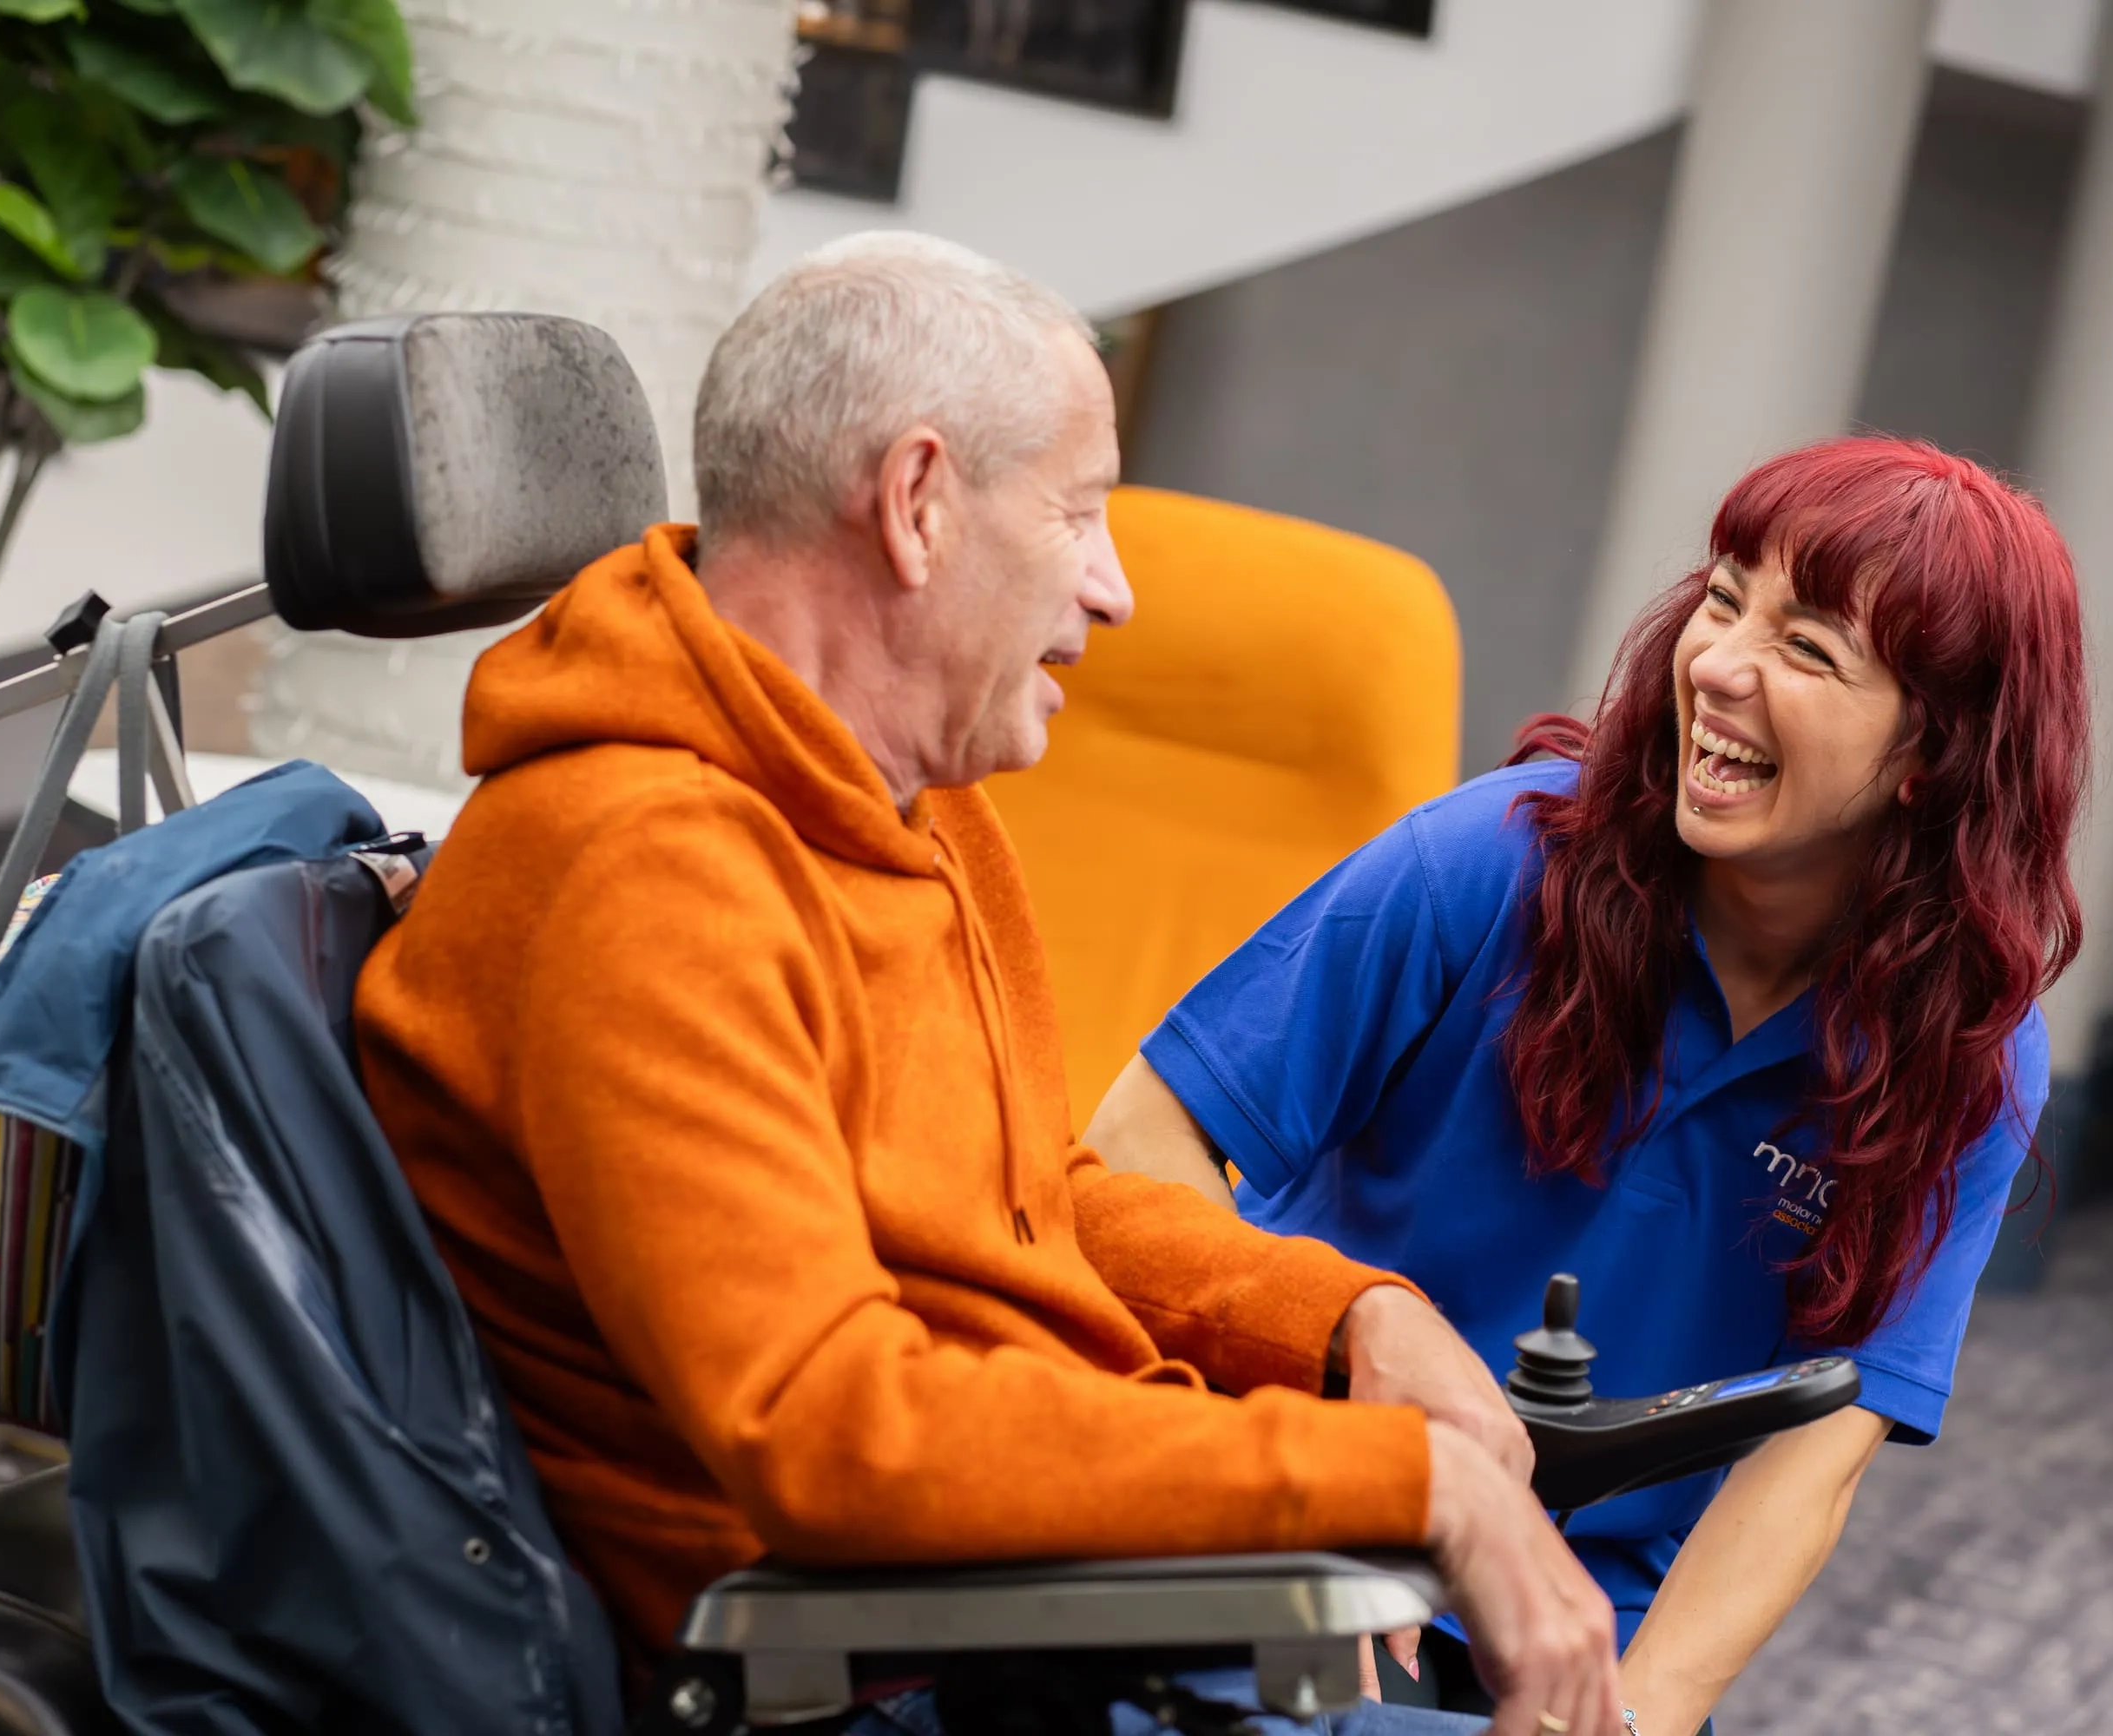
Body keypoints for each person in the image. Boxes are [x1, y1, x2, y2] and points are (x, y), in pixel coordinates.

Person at [354, 233, 1629, 1736]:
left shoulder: (910, 798)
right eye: (1080, 512)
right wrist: (1397, 1490)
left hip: (1030, 1609)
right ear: (917, 505)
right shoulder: (647, 872)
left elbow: (1022, 1190)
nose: (1116, 588)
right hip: (864, 1672)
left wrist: (1343, 1315)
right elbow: (837, 1432)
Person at [1091, 437, 2090, 1736]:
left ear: (1930, 758)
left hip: (1580, 1626)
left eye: (1809, 649)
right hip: (1296, 1522)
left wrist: (1634, 1717)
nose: (1718, 665)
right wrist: (1348, 1396)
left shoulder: (1964, 1056)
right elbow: (1131, 1140)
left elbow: (1813, 1456)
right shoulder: (1491, 862)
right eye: (1726, 600)